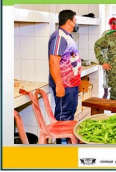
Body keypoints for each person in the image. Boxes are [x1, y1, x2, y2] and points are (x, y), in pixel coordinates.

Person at [48, 10, 81, 144]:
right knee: (63, 114)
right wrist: (59, 85)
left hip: (72, 84)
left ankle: (68, 140)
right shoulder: (59, 37)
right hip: (65, 85)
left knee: (70, 113)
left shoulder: (68, 36)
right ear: (69, 21)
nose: (76, 23)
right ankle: (60, 145)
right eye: (75, 20)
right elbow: (54, 61)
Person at [100, 17, 116, 99]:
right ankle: (105, 93)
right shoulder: (105, 33)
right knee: (106, 77)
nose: (114, 25)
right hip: (107, 60)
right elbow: (100, 46)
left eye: (115, 23)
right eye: (112, 23)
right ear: (109, 24)